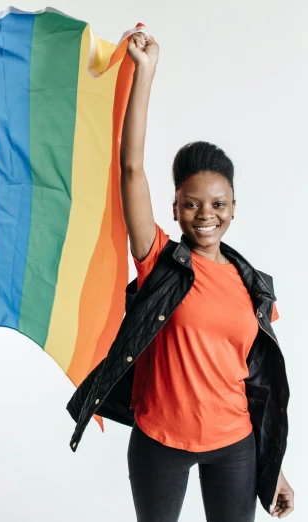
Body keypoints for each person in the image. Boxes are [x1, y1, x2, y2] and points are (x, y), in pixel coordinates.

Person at [67, 31, 294, 521]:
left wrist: (272, 467)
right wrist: (145, 74)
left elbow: (257, 386)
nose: (204, 214)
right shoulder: (159, 261)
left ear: (234, 208)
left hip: (235, 446)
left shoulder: (254, 287)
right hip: (160, 444)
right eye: (191, 204)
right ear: (175, 208)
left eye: (218, 204)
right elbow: (130, 169)